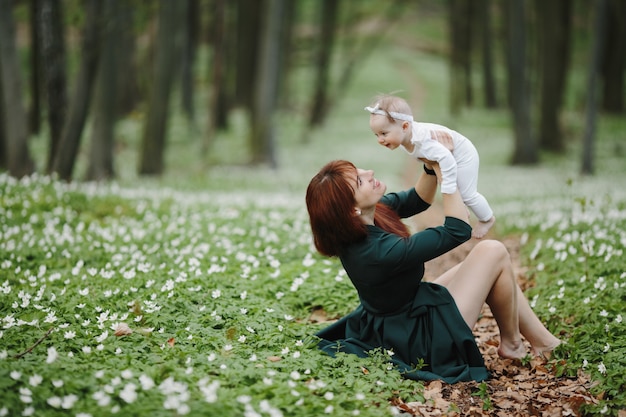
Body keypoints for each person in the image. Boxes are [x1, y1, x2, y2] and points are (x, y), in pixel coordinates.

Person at [305, 159, 560, 383]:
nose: (369, 172)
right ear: (352, 210)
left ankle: (539, 343)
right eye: (360, 180)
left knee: (491, 263)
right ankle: (517, 344)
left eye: (359, 170)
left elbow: (419, 199)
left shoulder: (369, 216)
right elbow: (457, 229)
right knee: (492, 251)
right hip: (418, 340)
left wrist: (430, 163)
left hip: (406, 315)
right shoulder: (376, 253)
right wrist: (447, 175)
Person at [365, 94, 495, 238]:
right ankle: (462, 207)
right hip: (450, 155)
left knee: (467, 194)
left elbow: (446, 158)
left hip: (462, 155)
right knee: (458, 192)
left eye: (384, 133)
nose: (380, 140)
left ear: (405, 126)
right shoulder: (405, 139)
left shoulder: (422, 141)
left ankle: (487, 218)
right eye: (376, 135)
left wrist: (448, 186)